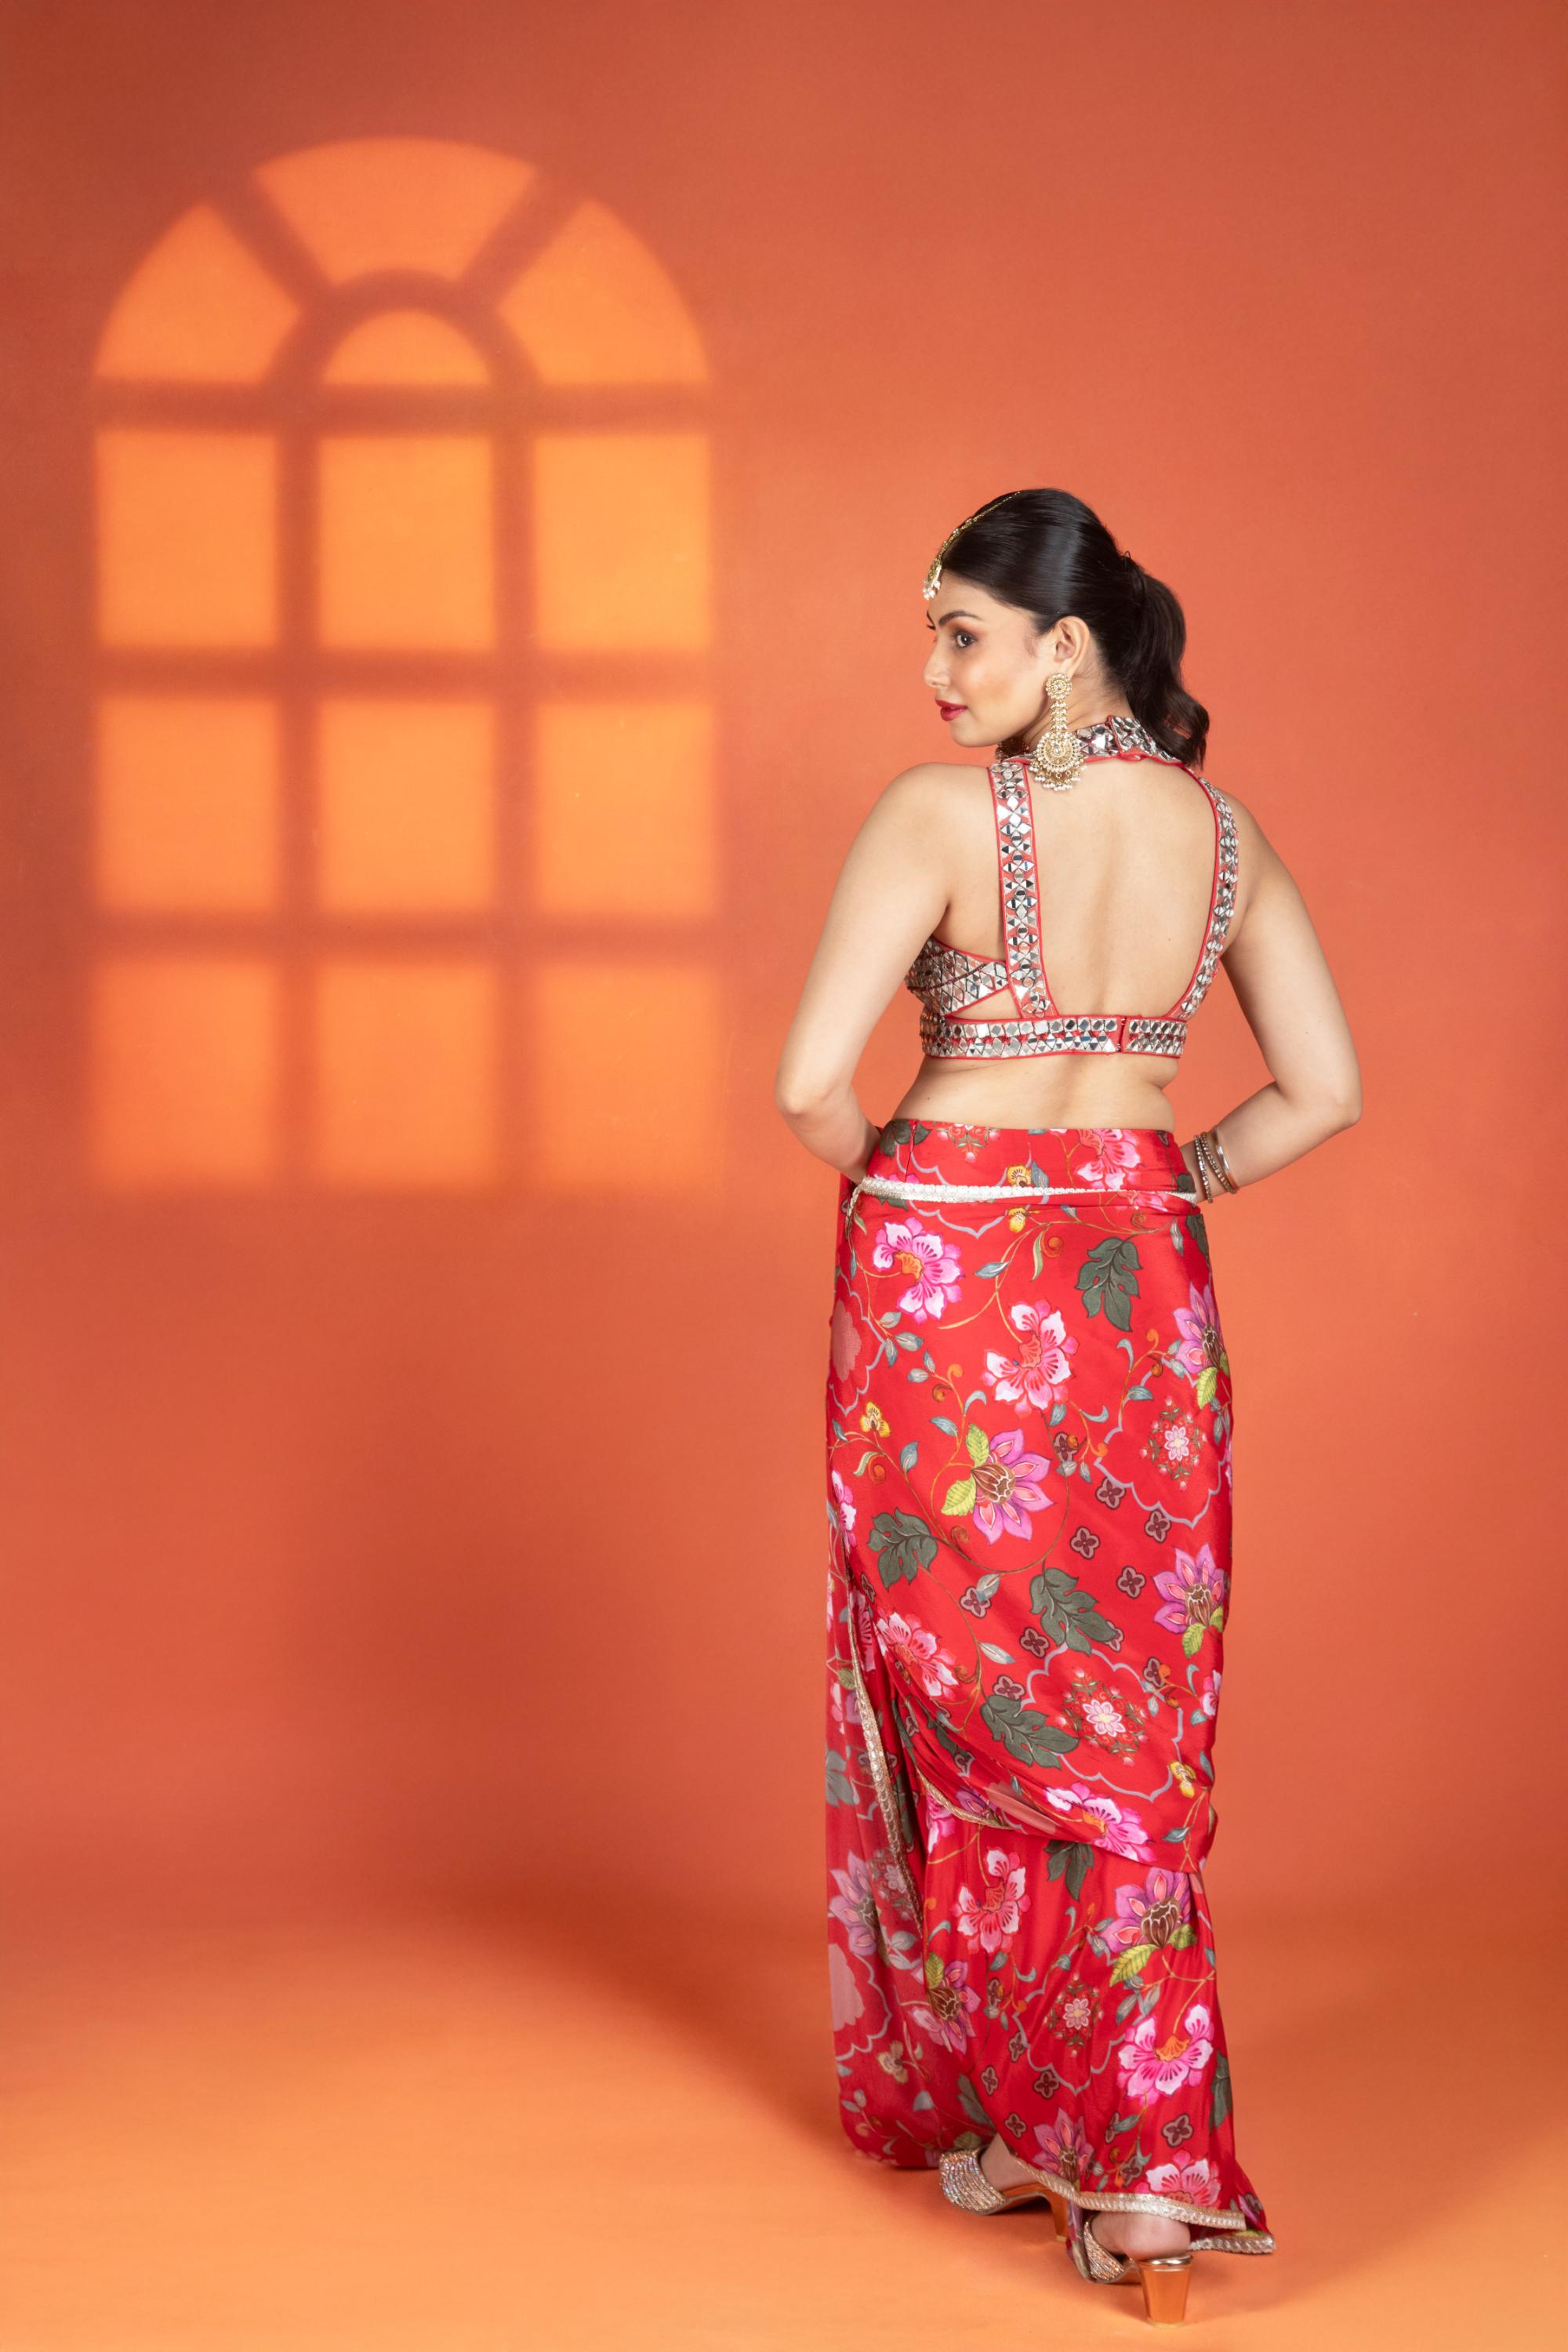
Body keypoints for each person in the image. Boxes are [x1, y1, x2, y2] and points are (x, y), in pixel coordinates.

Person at [774, 488, 1360, 2326]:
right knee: (1120, 1700)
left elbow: (805, 1086)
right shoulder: (1224, 835)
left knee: (963, 1684)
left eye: (961, 634)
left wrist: (913, 1193)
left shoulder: (934, 813)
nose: (934, 671)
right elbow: (1323, 1091)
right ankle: (1132, 2166)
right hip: (1140, 1276)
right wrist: (1170, 1179)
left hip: (942, 1282)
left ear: (1066, 644)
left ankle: (1039, 2118)